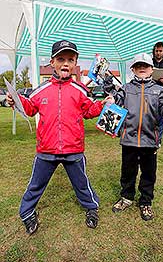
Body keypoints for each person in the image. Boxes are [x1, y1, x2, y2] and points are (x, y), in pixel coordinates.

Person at [6, 40, 112, 235]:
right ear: (52, 62)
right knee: (35, 185)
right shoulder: (41, 89)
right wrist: (16, 100)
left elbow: (88, 110)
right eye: (61, 59)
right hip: (46, 150)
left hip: (74, 150)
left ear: (75, 64)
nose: (65, 63)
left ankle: (92, 208)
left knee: (82, 184)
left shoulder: (80, 90)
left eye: (70, 60)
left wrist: (102, 104)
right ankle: (27, 213)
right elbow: (29, 108)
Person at [103, 53, 163, 221]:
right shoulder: (126, 88)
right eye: (138, 66)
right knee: (128, 172)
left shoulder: (159, 91)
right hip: (128, 139)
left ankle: (145, 201)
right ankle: (126, 197)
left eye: (145, 65)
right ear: (133, 69)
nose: (142, 68)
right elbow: (116, 100)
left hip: (150, 141)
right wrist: (111, 99)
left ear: (152, 69)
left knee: (148, 174)